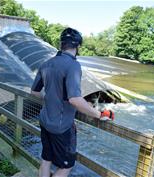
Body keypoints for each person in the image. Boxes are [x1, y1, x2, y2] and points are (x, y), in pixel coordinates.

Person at [31, 27, 115, 177]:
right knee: (66, 166)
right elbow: (75, 99)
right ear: (78, 46)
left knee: (46, 160)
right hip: (61, 127)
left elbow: (35, 92)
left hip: (45, 121)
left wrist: (52, 97)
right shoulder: (73, 65)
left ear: (61, 44)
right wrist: (99, 114)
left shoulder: (46, 63)